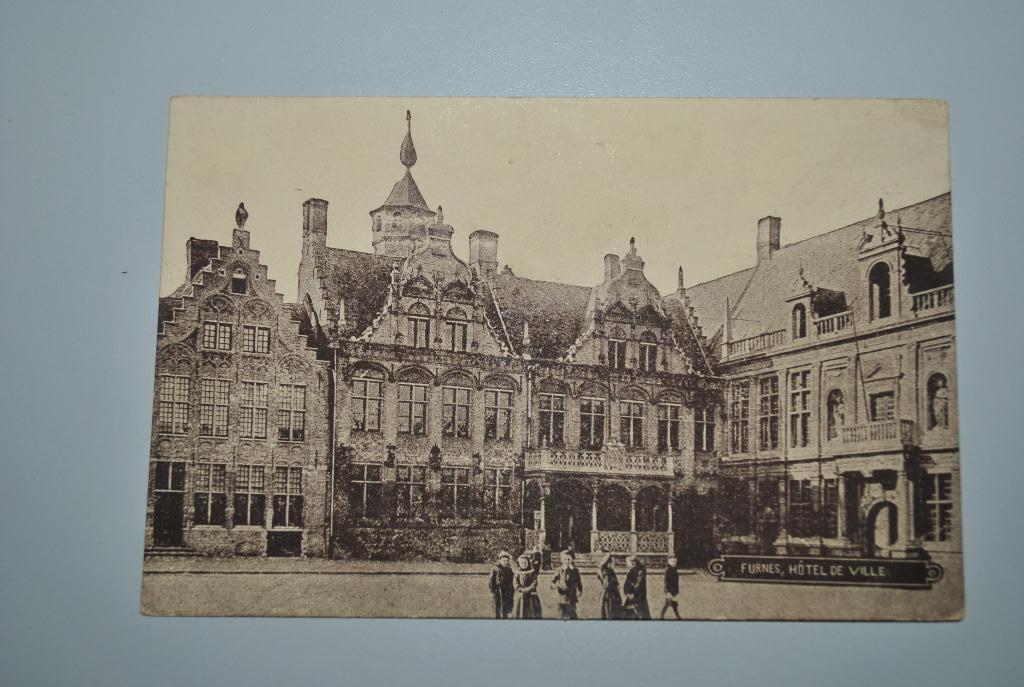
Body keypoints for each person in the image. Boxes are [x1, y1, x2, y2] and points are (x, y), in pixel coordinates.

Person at [550, 549, 584, 619]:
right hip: (561, 596)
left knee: (572, 614)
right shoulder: (559, 570)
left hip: (572, 596)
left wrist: (580, 590)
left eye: (569, 559)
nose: (567, 561)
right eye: (565, 559)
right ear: (561, 560)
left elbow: (579, 581)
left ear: (571, 559)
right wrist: (556, 585)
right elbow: (552, 582)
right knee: (561, 614)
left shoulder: (575, 570)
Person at [513, 553, 543, 619]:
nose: (524, 564)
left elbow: (534, 582)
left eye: (525, 562)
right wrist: (521, 589)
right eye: (522, 563)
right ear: (519, 564)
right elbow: (515, 583)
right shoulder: (517, 573)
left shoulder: (532, 572)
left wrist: (529, 588)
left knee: (532, 611)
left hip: (531, 595)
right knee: (521, 610)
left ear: (528, 563)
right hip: (521, 595)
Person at [622, 555, 651, 620]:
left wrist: (629, 593)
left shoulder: (634, 570)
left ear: (633, 563)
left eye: (627, 563)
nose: (627, 565)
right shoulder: (640, 570)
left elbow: (636, 584)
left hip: (634, 596)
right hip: (639, 596)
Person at [597, 551, 623, 620]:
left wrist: (617, 585)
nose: (614, 564)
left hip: (614, 594)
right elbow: (606, 584)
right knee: (610, 612)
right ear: (608, 563)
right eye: (612, 562)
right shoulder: (606, 571)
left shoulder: (611, 571)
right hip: (609, 595)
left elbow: (615, 582)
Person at [488, 551, 515, 619]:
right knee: (497, 607)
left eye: (507, 561)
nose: (505, 562)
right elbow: (491, 580)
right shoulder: (495, 569)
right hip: (498, 591)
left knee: (505, 608)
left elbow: (511, 580)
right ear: (500, 560)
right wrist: (492, 589)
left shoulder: (509, 569)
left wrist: (512, 590)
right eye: (504, 561)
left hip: (507, 591)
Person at [660, 555, 682, 620]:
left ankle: (678, 617)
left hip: (674, 590)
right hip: (670, 590)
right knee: (668, 603)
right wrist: (667, 591)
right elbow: (666, 581)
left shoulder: (674, 569)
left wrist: (676, 590)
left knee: (674, 604)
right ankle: (662, 615)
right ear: (669, 561)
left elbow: (676, 581)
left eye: (675, 561)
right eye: (673, 561)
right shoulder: (668, 570)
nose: (675, 563)